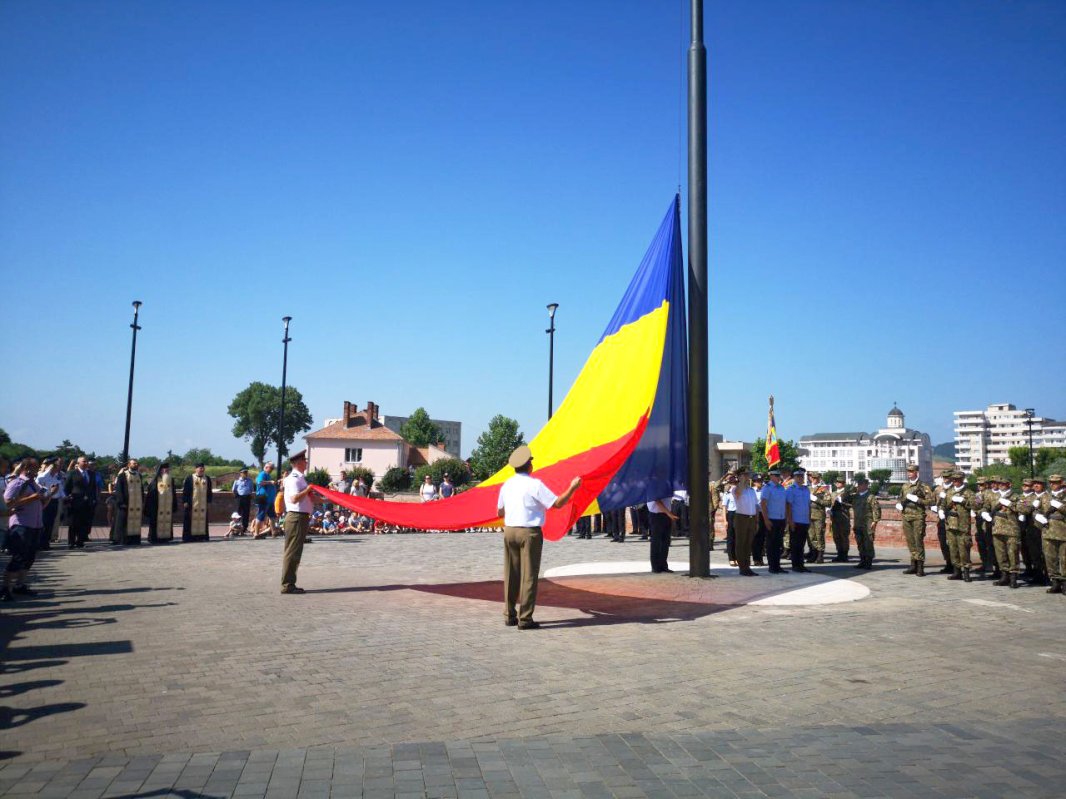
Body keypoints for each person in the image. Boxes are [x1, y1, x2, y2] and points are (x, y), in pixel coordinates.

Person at [497, 445, 581, 629]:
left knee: (511, 574)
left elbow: (499, 510)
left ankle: (509, 615)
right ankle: (525, 619)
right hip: (529, 532)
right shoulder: (534, 484)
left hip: (510, 530)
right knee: (529, 576)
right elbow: (557, 503)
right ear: (529, 466)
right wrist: (572, 487)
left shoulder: (507, 485)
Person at [2, 459, 48, 601]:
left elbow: (41, 503)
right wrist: (32, 497)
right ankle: (5, 588)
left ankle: (20, 585)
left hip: (35, 524)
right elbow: (8, 502)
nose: (38, 470)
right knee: (18, 557)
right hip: (22, 524)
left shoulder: (34, 484)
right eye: (35, 468)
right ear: (27, 468)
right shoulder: (17, 483)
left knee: (29, 557)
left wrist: (49, 495)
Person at [281, 450, 316, 594]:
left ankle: (290, 583)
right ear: (298, 463)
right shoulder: (294, 479)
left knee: (296, 551)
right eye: (304, 460)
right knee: (292, 552)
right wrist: (308, 489)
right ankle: (288, 585)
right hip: (296, 517)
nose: (306, 462)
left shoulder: (301, 478)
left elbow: (309, 498)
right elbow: (295, 498)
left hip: (300, 517)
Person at [987, 475, 1024, 588]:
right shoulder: (994, 496)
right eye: (999, 484)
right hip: (997, 529)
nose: (1000, 486)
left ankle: (1013, 577)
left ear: (1009, 485)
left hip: (1011, 530)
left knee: (1013, 554)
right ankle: (1004, 576)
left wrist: (1010, 504)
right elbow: (985, 506)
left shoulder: (1016, 496)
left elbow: (1024, 509)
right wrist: (984, 512)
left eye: (1003, 484)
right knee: (1001, 554)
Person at [897, 464, 932, 576]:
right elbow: (901, 498)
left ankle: (920, 567)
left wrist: (918, 500)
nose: (909, 473)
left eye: (911, 471)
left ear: (917, 472)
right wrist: (899, 504)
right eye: (908, 471)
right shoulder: (905, 486)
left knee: (918, 541)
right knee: (910, 541)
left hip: (918, 517)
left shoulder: (923, 486)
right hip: (906, 516)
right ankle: (913, 565)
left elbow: (930, 501)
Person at [941, 470, 976, 581]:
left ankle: (966, 572)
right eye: (954, 479)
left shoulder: (969, 493)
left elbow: (977, 505)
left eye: (957, 479)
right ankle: (957, 572)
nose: (955, 481)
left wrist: (964, 501)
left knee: (964, 548)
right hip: (950, 524)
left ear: (962, 480)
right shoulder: (949, 492)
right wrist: (941, 510)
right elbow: (943, 504)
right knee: (953, 548)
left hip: (962, 525)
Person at [728, 467, 759, 576]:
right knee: (741, 543)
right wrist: (741, 481)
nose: (747, 477)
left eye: (747, 475)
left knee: (748, 543)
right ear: (740, 476)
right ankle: (742, 567)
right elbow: (737, 494)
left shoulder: (751, 490)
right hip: (741, 518)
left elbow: (756, 506)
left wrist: (757, 521)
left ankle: (747, 566)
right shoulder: (735, 488)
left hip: (751, 518)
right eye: (744, 475)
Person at [1039, 474, 1066, 594]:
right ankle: (1055, 582)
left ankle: (1065, 582)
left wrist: (1060, 506)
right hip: (1048, 531)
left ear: (1061, 482)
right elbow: (1035, 510)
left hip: (1063, 531)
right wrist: (1038, 517)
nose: (1052, 484)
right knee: (1050, 558)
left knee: (1064, 559)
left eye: (1055, 482)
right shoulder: (1045, 496)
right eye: (1050, 482)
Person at [64, 455, 98, 549]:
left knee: (84, 523)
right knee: (74, 523)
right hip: (75, 501)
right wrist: (68, 498)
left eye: (86, 461)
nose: (86, 463)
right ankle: (71, 542)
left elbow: (93, 487)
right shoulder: (72, 473)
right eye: (84, 461)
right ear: (78, 463)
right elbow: (66, 487)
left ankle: (80, 541)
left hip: (88, 502)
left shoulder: (91, 473)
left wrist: (94, 499)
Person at [760, 470, 788, 573]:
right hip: (772, 519)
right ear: (771, 476)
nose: (778, 477)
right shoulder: (767, 488)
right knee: (771, 544)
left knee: (779, 544)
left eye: (778, 475)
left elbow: (784, 504)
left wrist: (786, 518)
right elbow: (763, 504)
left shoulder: (781, 488)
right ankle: (772, 566)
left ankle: (777, 566)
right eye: (775, 475)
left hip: (781, 519)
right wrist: (766, 520)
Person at [111, 459, 145, 545]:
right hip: (125, 504)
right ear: (129, 465)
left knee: (135, 521)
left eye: (136, 463)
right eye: (134, 463)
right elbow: (119, 490)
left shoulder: (139, 476)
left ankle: (134, 540)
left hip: (136, 504)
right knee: (122, 522)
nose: (136, 465)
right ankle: (121, 540)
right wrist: (121, 502)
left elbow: (141, 489)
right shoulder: (123, 475)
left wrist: (142, 500)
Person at [784, 469, 812, 572]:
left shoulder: (806, 490)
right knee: (795, 544)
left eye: (801, 476)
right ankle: (795, 565)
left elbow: (808, 505)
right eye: (798, 476)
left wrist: (809, 519)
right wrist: (790, 521)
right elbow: (788, 506)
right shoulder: (790, 490)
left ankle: (801, 565)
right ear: (794, 478)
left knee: (801, 544)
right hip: (795, 521)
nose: (800, 478)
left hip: (805, 520)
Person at [850, 477, 881, 569]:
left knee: (868, 542)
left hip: (867, 523)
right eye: (858, 484)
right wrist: (851, 489)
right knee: (860, 542)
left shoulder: (871, 497)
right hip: (858, 522)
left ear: (866, 486)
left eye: (861, 484)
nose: (858, 486)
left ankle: (868, 561)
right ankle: (862, 560)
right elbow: (845, 498)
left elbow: (876, 510)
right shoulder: (855, 496)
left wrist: (875, 522)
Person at [36, 458, 64, 550]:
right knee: (44, 523)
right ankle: (40, 543)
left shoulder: (56, 477)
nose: (58, 468)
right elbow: (39, 490)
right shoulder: (42, 477)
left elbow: (60, 490)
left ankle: (46, 543)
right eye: (56, 466)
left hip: (54, 501)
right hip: (45, 501)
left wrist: (65, 497)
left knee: (50, 523)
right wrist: (49, 493)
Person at [144, 462, 176, 543]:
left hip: (167, 506)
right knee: (155, 522)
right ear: (160, 470)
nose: (167, 470)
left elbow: (173, 493)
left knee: (167, 521)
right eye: (164, 469)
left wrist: (174, 505)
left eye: (168, 469)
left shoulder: (170, 480)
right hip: (156, 507)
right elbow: (150, 494)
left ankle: (166, 537)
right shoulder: (155, 480)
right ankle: (154, 538)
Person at [1024, 477, 1048, 585]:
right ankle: (1038, 575)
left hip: (1046, 529)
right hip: (1032, 529)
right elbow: (1021, 509)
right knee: (1034, 554)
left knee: (1046, 554)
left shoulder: (1049, 496)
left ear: (1043, 485)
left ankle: (1048, 575)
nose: (1036, 485)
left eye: (1039, 483)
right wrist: (1031, 506)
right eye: (1035, 484)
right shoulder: (1029, 497)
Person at [973, 476, 997, 577]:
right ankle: (984, 562)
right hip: (979, 522)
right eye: (978, 484)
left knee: (989, 544)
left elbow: (991, 508)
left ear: (986, 485)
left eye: (981, 484)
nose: (979, 486)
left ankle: (991, 564)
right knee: (981, 543)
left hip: (988, 522)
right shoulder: (977, 495)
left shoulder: (991, 494)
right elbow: (975, 506)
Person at [182, 463, 213, 542]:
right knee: (189, 520)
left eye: (203, 468)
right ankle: (189, 537)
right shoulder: (190, 478)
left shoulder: (207, 479)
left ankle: (202, 537)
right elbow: (185, 491)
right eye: (200, 468)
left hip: (202, 505)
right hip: (191, 504)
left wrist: (209, 501)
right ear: (196, 469)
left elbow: (209, 492)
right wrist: (185, 501)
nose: (201, 470)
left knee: (203, 520)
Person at [647, 495, 678, 573]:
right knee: (656, 541)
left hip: (666, 514)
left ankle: (663, 565)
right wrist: (669, 513)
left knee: (666, 541)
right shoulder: (654, 485)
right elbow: (657, 501)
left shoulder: (665, 485)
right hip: (656, 515)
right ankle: (655, 566)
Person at [807, 471, 830, 563]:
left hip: (819, 515)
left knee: (819, 535)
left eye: (816, 478)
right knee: (811, 535)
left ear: (819, 478)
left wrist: (816, 499)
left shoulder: (824, 489)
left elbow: (828, 503)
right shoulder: (807, 488)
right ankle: (814, 553)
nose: (814, 479)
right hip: (808, 515)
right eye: (812, 478)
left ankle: (820, 555)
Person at [830, 476, 853, 561]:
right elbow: (830, 503)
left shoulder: (847, 493)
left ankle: (844, 554)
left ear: (843, 484)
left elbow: (851, 504)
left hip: (844, 517)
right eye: (836, 482)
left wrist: (842, 502)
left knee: (844, 536)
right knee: (836, 536)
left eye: (839, 482)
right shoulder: (833, 493)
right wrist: (829, 510)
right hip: (834, 517)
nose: (837, 483)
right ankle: (839, 553)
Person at [252, 463, 278, 538]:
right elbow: (260, 482)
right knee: (260, 515)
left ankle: (274, 532)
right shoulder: (262, 474)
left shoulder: (268, 475)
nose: (272, 469)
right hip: (263, 498)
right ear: (266, 467)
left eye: (273, 468)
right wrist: (270, 482)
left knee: (272, 516)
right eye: (271, 468)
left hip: (269, 499)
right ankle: (256, 533)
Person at [232, 468, 254, 534]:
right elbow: (233, 490)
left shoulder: (250, 481)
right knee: (238, 513)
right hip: (239, 497)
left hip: (247, 497)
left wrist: (250, 495)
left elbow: (251, 489)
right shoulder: (237, 481)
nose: (245, 474)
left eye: (246, 472)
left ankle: (244, 527)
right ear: (240, 473)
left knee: (246, 513)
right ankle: (236, 527)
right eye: (244, 472)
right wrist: (237, 496)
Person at [751, 474, 767, 566]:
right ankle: (756, 558)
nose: (759, 483)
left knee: (762, 538)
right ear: (753, 482)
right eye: (757, 481)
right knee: (756, 538)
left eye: (760, 481)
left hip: (764, 514)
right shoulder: (751, 491)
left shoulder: (765, 490)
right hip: (755, 514)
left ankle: (761, 558)